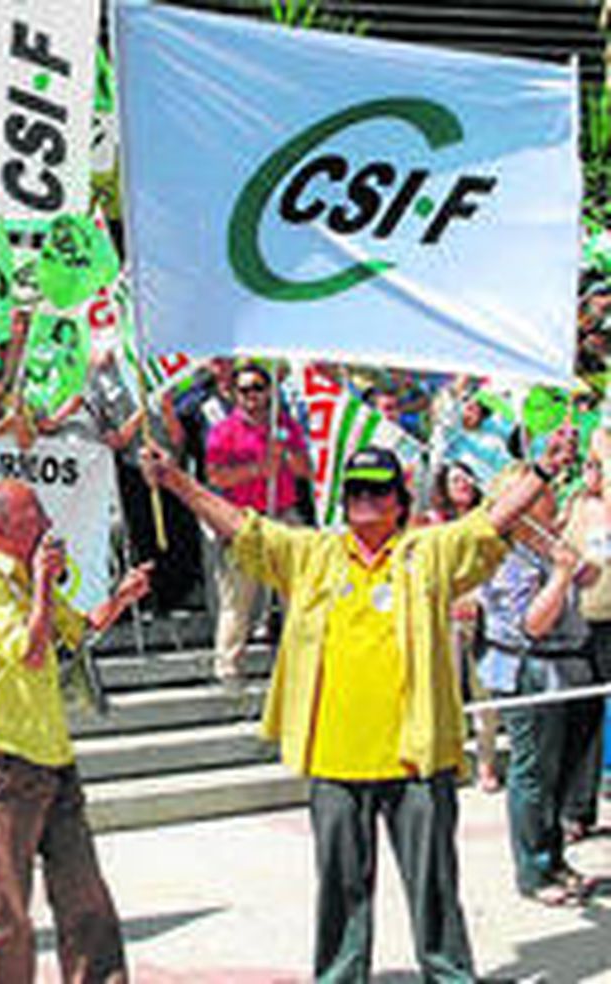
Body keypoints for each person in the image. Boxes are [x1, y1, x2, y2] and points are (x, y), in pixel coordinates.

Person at [140, 428, 577, 981]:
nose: (364, 499)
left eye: (376, 490)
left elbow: (490, 522)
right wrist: (175, 479)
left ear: (399, 500)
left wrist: (542, 470)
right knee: (340, 890)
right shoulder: (312, 553)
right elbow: (240, 526)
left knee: (434, 887)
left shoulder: (429, 551)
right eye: (354, 491)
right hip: (334, 757)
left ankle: (449, 975)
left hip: (416, 758)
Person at [0, 478, 152, 984]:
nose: (46, 524)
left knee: (85, 895)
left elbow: (78, 631)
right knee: (7, 910)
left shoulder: (24, 575)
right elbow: (30, 650)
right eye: (33, 515)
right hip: (1, 760)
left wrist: (121, 598)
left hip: (52, 755)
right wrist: (41, 581)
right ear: (0, 528)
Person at [479, 463, 602, 906]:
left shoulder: (548, 544)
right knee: (534, 773)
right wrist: (562, 576)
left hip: (570, 664)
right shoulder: (505, 554)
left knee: (563, 770)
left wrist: (575, 567)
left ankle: (555, 857)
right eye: (539, 498)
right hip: (529, 670)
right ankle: (533, 868)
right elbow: (532, 623)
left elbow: (587, 577)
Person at [203, 362, 311, 679]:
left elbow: (306, 470)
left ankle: (302, 661)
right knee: (238, 598)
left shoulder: (285, 425)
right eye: (244, 389)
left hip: (283, 514)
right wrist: (257, 469)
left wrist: (286, 456)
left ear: (269, 392)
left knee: (297, 592)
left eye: (258, 388)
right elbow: (216, 476)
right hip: (244, 519)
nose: (252, 395)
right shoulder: (224, 430)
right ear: (234, 394)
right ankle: (228, 667)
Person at [422, 462, 502, 794]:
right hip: (445, 618)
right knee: (446, 692)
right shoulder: (432, 524)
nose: (464, 484)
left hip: (484, 616)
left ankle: (486, 764)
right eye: (456, 479)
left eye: (468, 477)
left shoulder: (486, 520)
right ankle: (450, 759)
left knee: (486, 696)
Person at [563, 451, 611, 834]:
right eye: (588, 465)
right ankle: (579, 809)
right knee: (585, 717)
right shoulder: (574, 506)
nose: (592, 472)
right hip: (583, 620)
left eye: (599, 465)